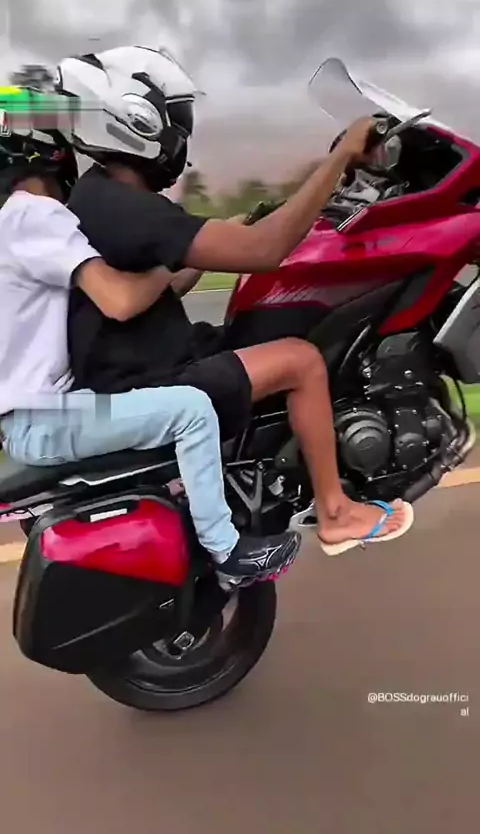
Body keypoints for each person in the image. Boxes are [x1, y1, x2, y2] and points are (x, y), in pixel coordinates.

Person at [58, 45, 414, 554]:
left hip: (143, 363)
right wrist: (339, 159)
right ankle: (336, 513)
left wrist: (215, 241)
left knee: (264, 324)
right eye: (177, 123)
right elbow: (265, 250)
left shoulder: (101, 194)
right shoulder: (125, 206)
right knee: (301, 360)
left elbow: (165, 283)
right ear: (136, 120)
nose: (181, 138)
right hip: (147, 385)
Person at [0, 127, 301, 583]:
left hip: (42, 415)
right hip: (45, 420)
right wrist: (172, 253)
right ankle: (228, 552)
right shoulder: (33, 214)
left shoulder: (12, 230)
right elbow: (121, 300)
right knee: (191, 409)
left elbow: (156, 290)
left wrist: (190, 255)